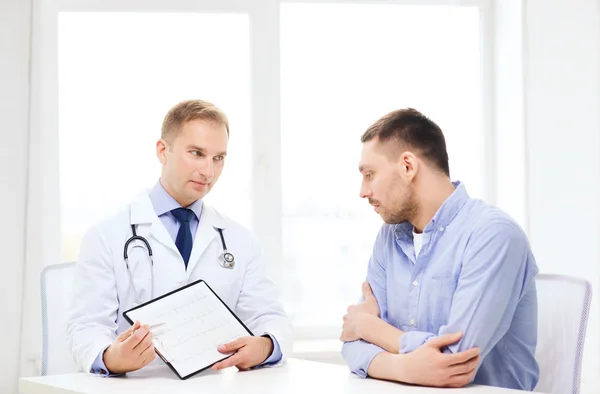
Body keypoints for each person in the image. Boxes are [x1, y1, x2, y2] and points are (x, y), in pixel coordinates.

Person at [67, 99, 292, 376]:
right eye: (197, 153)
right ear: (163, 151)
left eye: (218, 158)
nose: (208, 171)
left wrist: (265, 346)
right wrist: (110, 357)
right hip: (135, 386)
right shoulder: (106, 235)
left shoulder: (240, 241)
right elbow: (86, 328)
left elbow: (270, 317)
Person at [340, 108, 539, 390]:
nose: (363, 191)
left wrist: (372, 328)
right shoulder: (390, 238)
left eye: (370, 174)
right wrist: (403, 367)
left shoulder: (494, 234)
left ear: (408, 166)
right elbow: (351, 342)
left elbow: (454, 362)